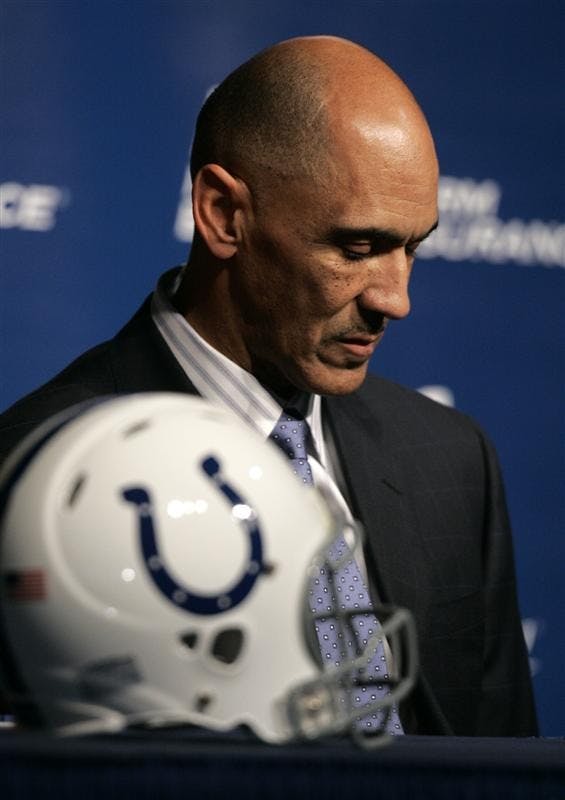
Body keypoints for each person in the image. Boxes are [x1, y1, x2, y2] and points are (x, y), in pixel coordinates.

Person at [0, 36, 537, 737]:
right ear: (223, 214)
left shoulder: (450, 458)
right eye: (356, 248)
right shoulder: (28, 475)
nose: (395, 299)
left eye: (412, 247)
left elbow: (504, 763)